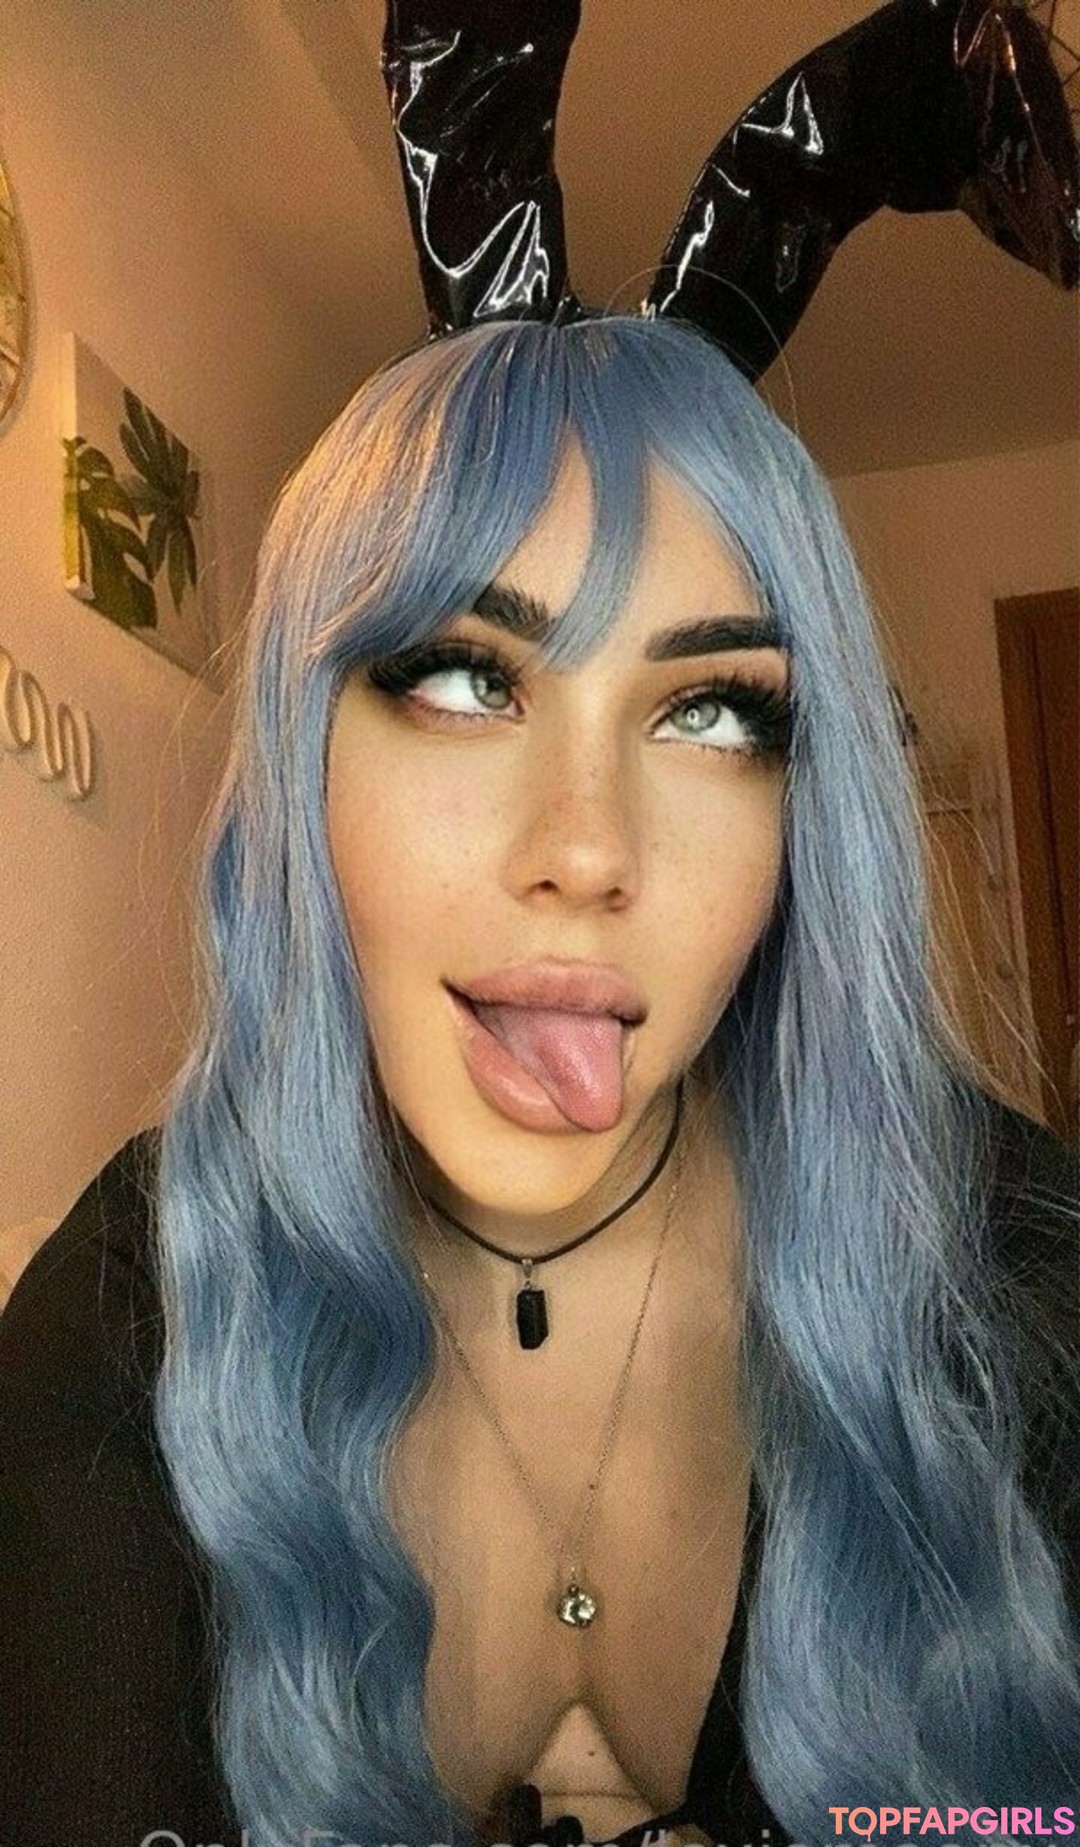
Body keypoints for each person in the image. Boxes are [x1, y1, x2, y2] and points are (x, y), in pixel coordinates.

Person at [2, 8, 1079, 1847]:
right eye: (462, 680)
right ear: (304, 760)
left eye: (712, 711)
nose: (586, 851)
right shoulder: (120, 1342)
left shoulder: (1019, 1294)